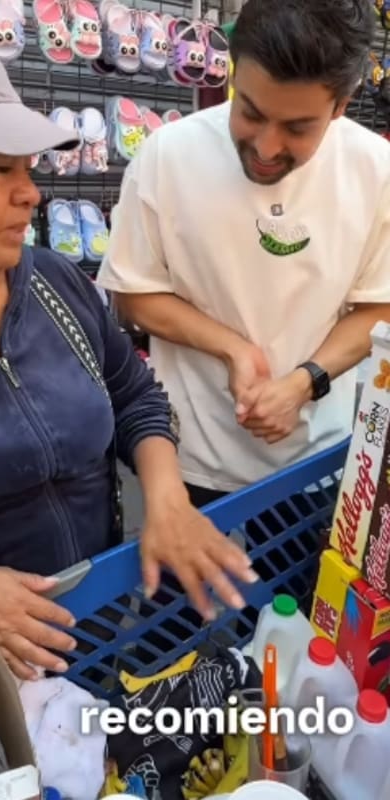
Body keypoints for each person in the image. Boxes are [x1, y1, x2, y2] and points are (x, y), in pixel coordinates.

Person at [0, 0, 255, 704]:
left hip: (93, 633)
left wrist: (166, 497)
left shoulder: (54, 282)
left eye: (30, 167)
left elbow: (133, 394)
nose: (30, 192)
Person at [97, 0, 390, 508]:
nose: (267, 147)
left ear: (340, 106)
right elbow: (132, 294)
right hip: (186, 451)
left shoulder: (375, 170)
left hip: (316, 456)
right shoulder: (169, 155)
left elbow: (379, 306)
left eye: (298, 128)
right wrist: (233, 348)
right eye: (250, 111)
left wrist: (307, 380)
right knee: (181, 590)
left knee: (300, 589)